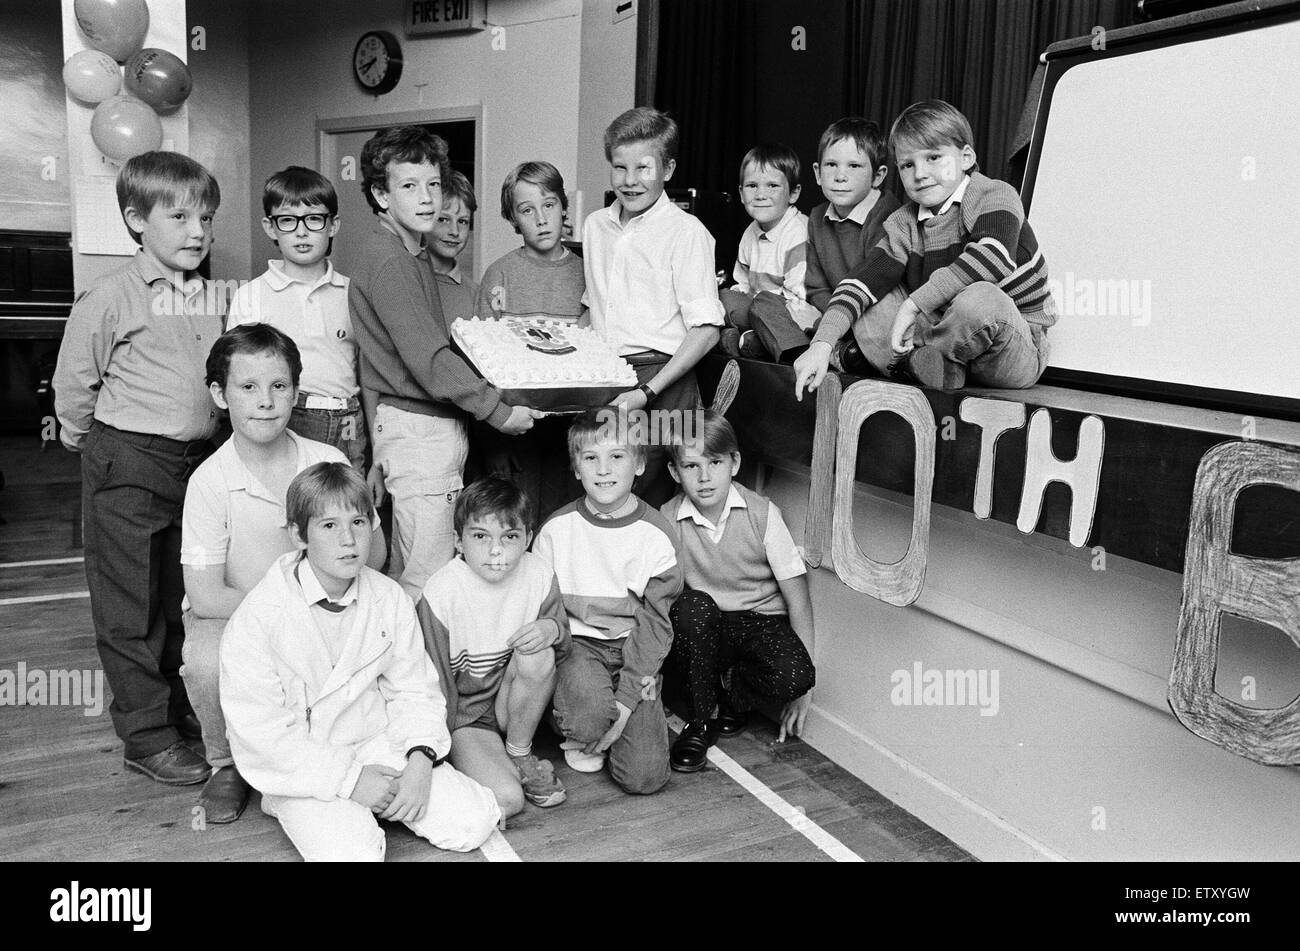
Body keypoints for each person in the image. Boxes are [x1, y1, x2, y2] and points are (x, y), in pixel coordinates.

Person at [220, 462, 501, 861]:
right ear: (299, 534)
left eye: (358, 522)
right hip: (306, 761)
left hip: (377, 743)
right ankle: (287, 803)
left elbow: (415, 689)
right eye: (329, 526)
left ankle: (376, 801)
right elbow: (262, 733)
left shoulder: (389, 598)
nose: (348, 540)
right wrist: (351, 781)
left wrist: (420, 761)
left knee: (473, 821)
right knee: (354, 855)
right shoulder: (258, 618)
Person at [52, 151, 224, 786]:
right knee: (129, 605)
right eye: (177, 215)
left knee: (178, 600)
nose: (197, 230)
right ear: (135, 219)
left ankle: (180, 712)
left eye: (204, 215)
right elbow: (74, 386)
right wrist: (88, 445)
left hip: (195, 465)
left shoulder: (212, 295)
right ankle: (145, 735)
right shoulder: (110, 297)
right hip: (128, 459)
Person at [180, 324, 386, 822]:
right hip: (236, 614)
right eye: (247, 387)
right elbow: (206, 596)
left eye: (278, 386)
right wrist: (285, 612)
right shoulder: (210, 481)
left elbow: (374, 553)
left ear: (297, 391)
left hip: (325, 604)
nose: (265, 401)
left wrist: (323, 602)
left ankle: (342, 746)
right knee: (206, 661)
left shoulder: (328, 461)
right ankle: (225, 762)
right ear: (219, 394)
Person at [348, 125, 540, 598]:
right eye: (409, 186)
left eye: (433, 183)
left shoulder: (407, 252)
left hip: (421, 431)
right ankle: (421, 672)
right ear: (380, 194)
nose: (428, 198)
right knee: (427, 580)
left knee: (412, 568)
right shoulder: (392, 259)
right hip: (419, 432)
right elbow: (431, 361)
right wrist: (499, 411)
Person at [794, 100, 1054, 397]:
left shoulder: (994, 194)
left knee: (979, 298)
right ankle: (933, 369)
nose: (919, 174)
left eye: (933, 158)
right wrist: (821, 345)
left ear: (966, 157)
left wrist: (913, 305)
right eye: (908, 164)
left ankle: (921, 365)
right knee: (870, 297)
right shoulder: (903, 222)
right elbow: (861, 282)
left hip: (1010, 346)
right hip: (941, 335)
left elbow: (993, 257)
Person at [533, 410, 682, 794]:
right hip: (578, 648)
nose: (603, 469)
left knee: (645, 778)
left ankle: (637, 708)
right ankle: (571, 716)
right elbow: (547, 615)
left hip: (636, 650)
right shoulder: (555, 531)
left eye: (617, 456)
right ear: (576, 468)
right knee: (587, 719)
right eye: (590, 458)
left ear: (639, 464)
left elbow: (655, 626)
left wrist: (630, 699)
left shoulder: (657, 535)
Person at [582, 107, 724, 506]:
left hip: (664, 381)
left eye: (643, 167)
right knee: (605, 491)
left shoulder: (687, 232)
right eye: (619, 167)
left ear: (668, 168)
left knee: (655, 495)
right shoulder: (595, 227)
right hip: (607, 377)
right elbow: (593, 309)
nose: (630, 181)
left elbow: (707, 329)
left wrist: (647, 391)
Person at [660, 411, 816, 772]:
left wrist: (802, 691)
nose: (704, 477)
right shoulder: (667, 520)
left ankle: (731, 696)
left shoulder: (762, 514)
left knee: (797, 673)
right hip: (704, 627)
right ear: (674, 472)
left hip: (758, 622)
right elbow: (655, 602)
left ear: (734, 462)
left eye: (714, 462)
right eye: (691, 466)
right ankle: (700, 722)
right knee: (691, 608)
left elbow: (799, 601)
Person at [418, 477, 570, 818]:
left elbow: (561, 649)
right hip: (466, 718)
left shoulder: (539, 573)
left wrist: (551, 628)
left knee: (539, 652)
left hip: (513, 702)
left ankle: (519, 751)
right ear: (458, 541)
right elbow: (433, 683)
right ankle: (477, 768)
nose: (495, 550)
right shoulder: (441, 592)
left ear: (528, 539)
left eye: (510, 537)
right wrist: (437, 753)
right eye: (480, 537)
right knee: (508, 800)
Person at [227, 167, 365, 470]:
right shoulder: (251, 296)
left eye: (314, 219)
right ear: (270, 227)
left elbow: (368, 373)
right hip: (292, 417)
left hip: (350, 419)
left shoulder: (352, 293)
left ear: (333, 225)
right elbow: (239, 379)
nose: (302, 232)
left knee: (348, 508)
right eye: (288, 220)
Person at [790, 117, 901, 386]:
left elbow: (882, 289)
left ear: (878, 176)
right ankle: (834, 350)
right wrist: (830, 320)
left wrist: (831, 324)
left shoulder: (889, 216)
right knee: (771, 303)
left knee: (879, 312)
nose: (840, 176)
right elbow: (816, 287)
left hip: (875, 313)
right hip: (834, 315)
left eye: (854, 166)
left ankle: (828, 348)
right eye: (831, 165)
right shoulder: (817, 218)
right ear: (817, 172)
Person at [718, 143, 816, 362]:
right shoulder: (749, 233)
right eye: (752, 186)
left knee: (763, 304)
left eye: (772, 186)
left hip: (791, 313)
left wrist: (758, 307)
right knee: (721, 297)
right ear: (741, 193)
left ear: (793, 193)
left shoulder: (797, 233)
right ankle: (755, 340)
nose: (761, 194)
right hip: (756, 308)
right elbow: (742, 284)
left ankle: (794, 351)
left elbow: (798, 298)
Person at [476, 161, 586, 323]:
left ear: (563, 207)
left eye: (548, 205)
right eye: (527, 210)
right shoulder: (498, 275)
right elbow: (481, 343)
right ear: (513, 218)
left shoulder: (587, 275)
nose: (541, 220)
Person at [428, 169, 480, 323]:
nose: (454, 231)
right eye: (443, 219)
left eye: (462, 221)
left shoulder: (475, 296)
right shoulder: (403, 277)